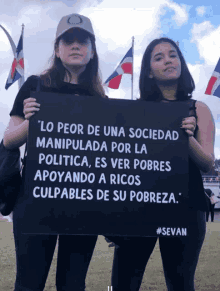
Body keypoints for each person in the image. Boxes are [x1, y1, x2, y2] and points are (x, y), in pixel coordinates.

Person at [3, 13, 106, 291]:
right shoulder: (35, 85)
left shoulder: (101, 101)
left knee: (73, 285)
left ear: (92, 50)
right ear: (57, 50)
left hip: (83, 203)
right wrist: (29, 125)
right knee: (28, 283)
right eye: (68, 40)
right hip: (36, 199)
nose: (75, 46)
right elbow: (9, 140)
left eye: (82, 41)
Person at [106, 37, 215, 291]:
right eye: (159, 57)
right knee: (123, 283)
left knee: (180, 284)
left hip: (185, 209)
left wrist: (186, 140)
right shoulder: (137, 111)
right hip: (139, 209)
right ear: (149, 72)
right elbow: (120, 165)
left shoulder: (199, 109)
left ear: (181, 62)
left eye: (172, 54)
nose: (168, 60)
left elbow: (207, 164)